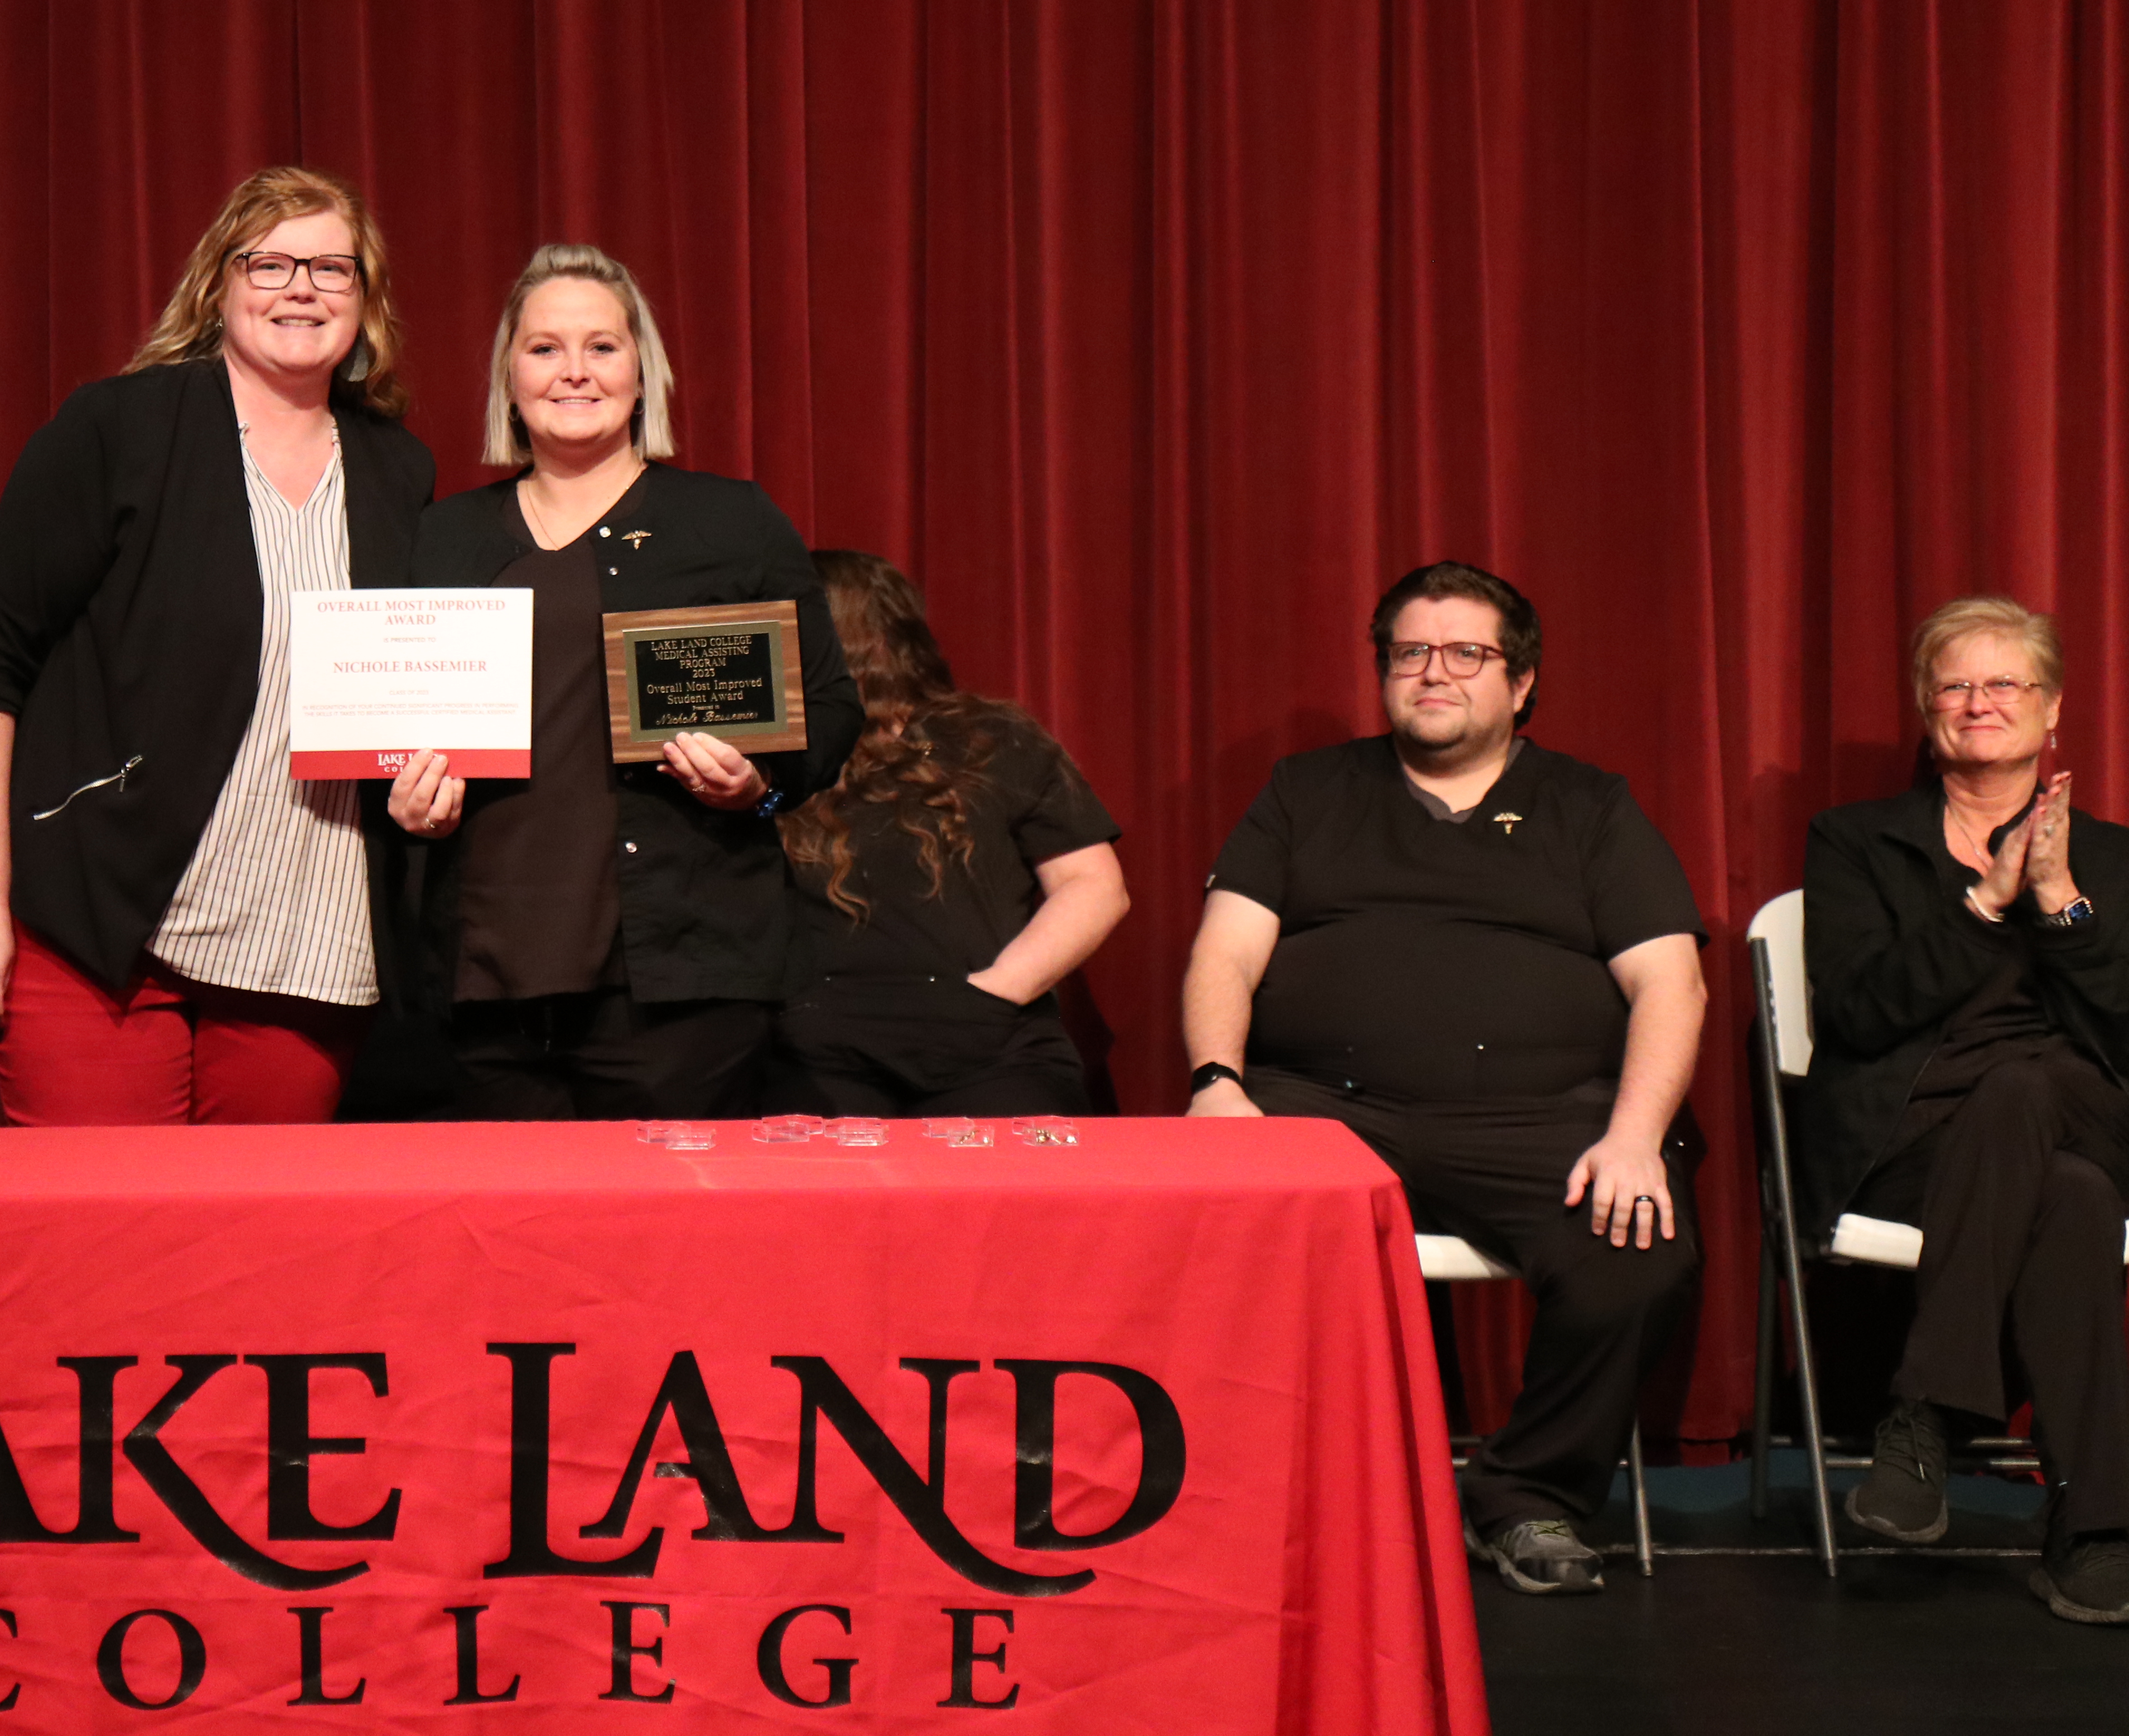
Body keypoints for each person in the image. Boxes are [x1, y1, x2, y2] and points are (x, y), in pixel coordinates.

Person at [1180, 560, 1705, 1597]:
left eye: (1468, 653)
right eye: (1412, 652)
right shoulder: (1307, 790)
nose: (1435, 672)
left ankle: (1528, 1499)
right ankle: (1261, 1499)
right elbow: (1224, 954)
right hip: (1322, 1107)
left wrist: (1636, 1134)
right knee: (1212, 1225)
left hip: (1539, 1116)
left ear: (1522, 684)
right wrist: (1214, 1080)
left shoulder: (1589, 806)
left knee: (1637, 1252)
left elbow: (1671, 984)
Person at [0, 166, 435, 1123]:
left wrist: (427, 785)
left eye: (333, 269)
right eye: (272, 263)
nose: (302, 288)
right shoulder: (119, 430)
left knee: (256, 1259)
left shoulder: (396, 468)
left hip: (302, 941)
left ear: (366, 304)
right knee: (104, 1248)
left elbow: (396, 690)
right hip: (99, 932)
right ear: (219, 283)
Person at [384, 244, 862, 1119]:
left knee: (672, 1252)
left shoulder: (731, 524)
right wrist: (403, 800)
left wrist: (756, 788)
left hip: (682, 984)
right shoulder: (437, 539)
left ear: (643, 374)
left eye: (602, 347)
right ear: (509, 378)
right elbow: (388, 723)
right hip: (483, 983)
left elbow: (829, 713)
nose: (575, 372)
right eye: (544, 348)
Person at [1797, 594, 2129, 1624]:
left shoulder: (2117, 859)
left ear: (2053, 711)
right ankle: (2099, 1529)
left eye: (2005, 683)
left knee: (2031, 1088)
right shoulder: (1858, 845)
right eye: (1955, 683)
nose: (1979, 701)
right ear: (1927, 710)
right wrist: (1984, 901)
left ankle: (1927, 1412)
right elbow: (1858, 1010)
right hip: (1917, 1138)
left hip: (2089, 1108)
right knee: (2067, 1204)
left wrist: (2060, 893)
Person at [771, 550, 1126, 1116]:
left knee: (1008, 1193)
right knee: (823, 1190)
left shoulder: (993, 739)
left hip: (990, 1040)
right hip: (818, 1048)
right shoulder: (766, 757)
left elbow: (1092, 883)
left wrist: (999, 990)